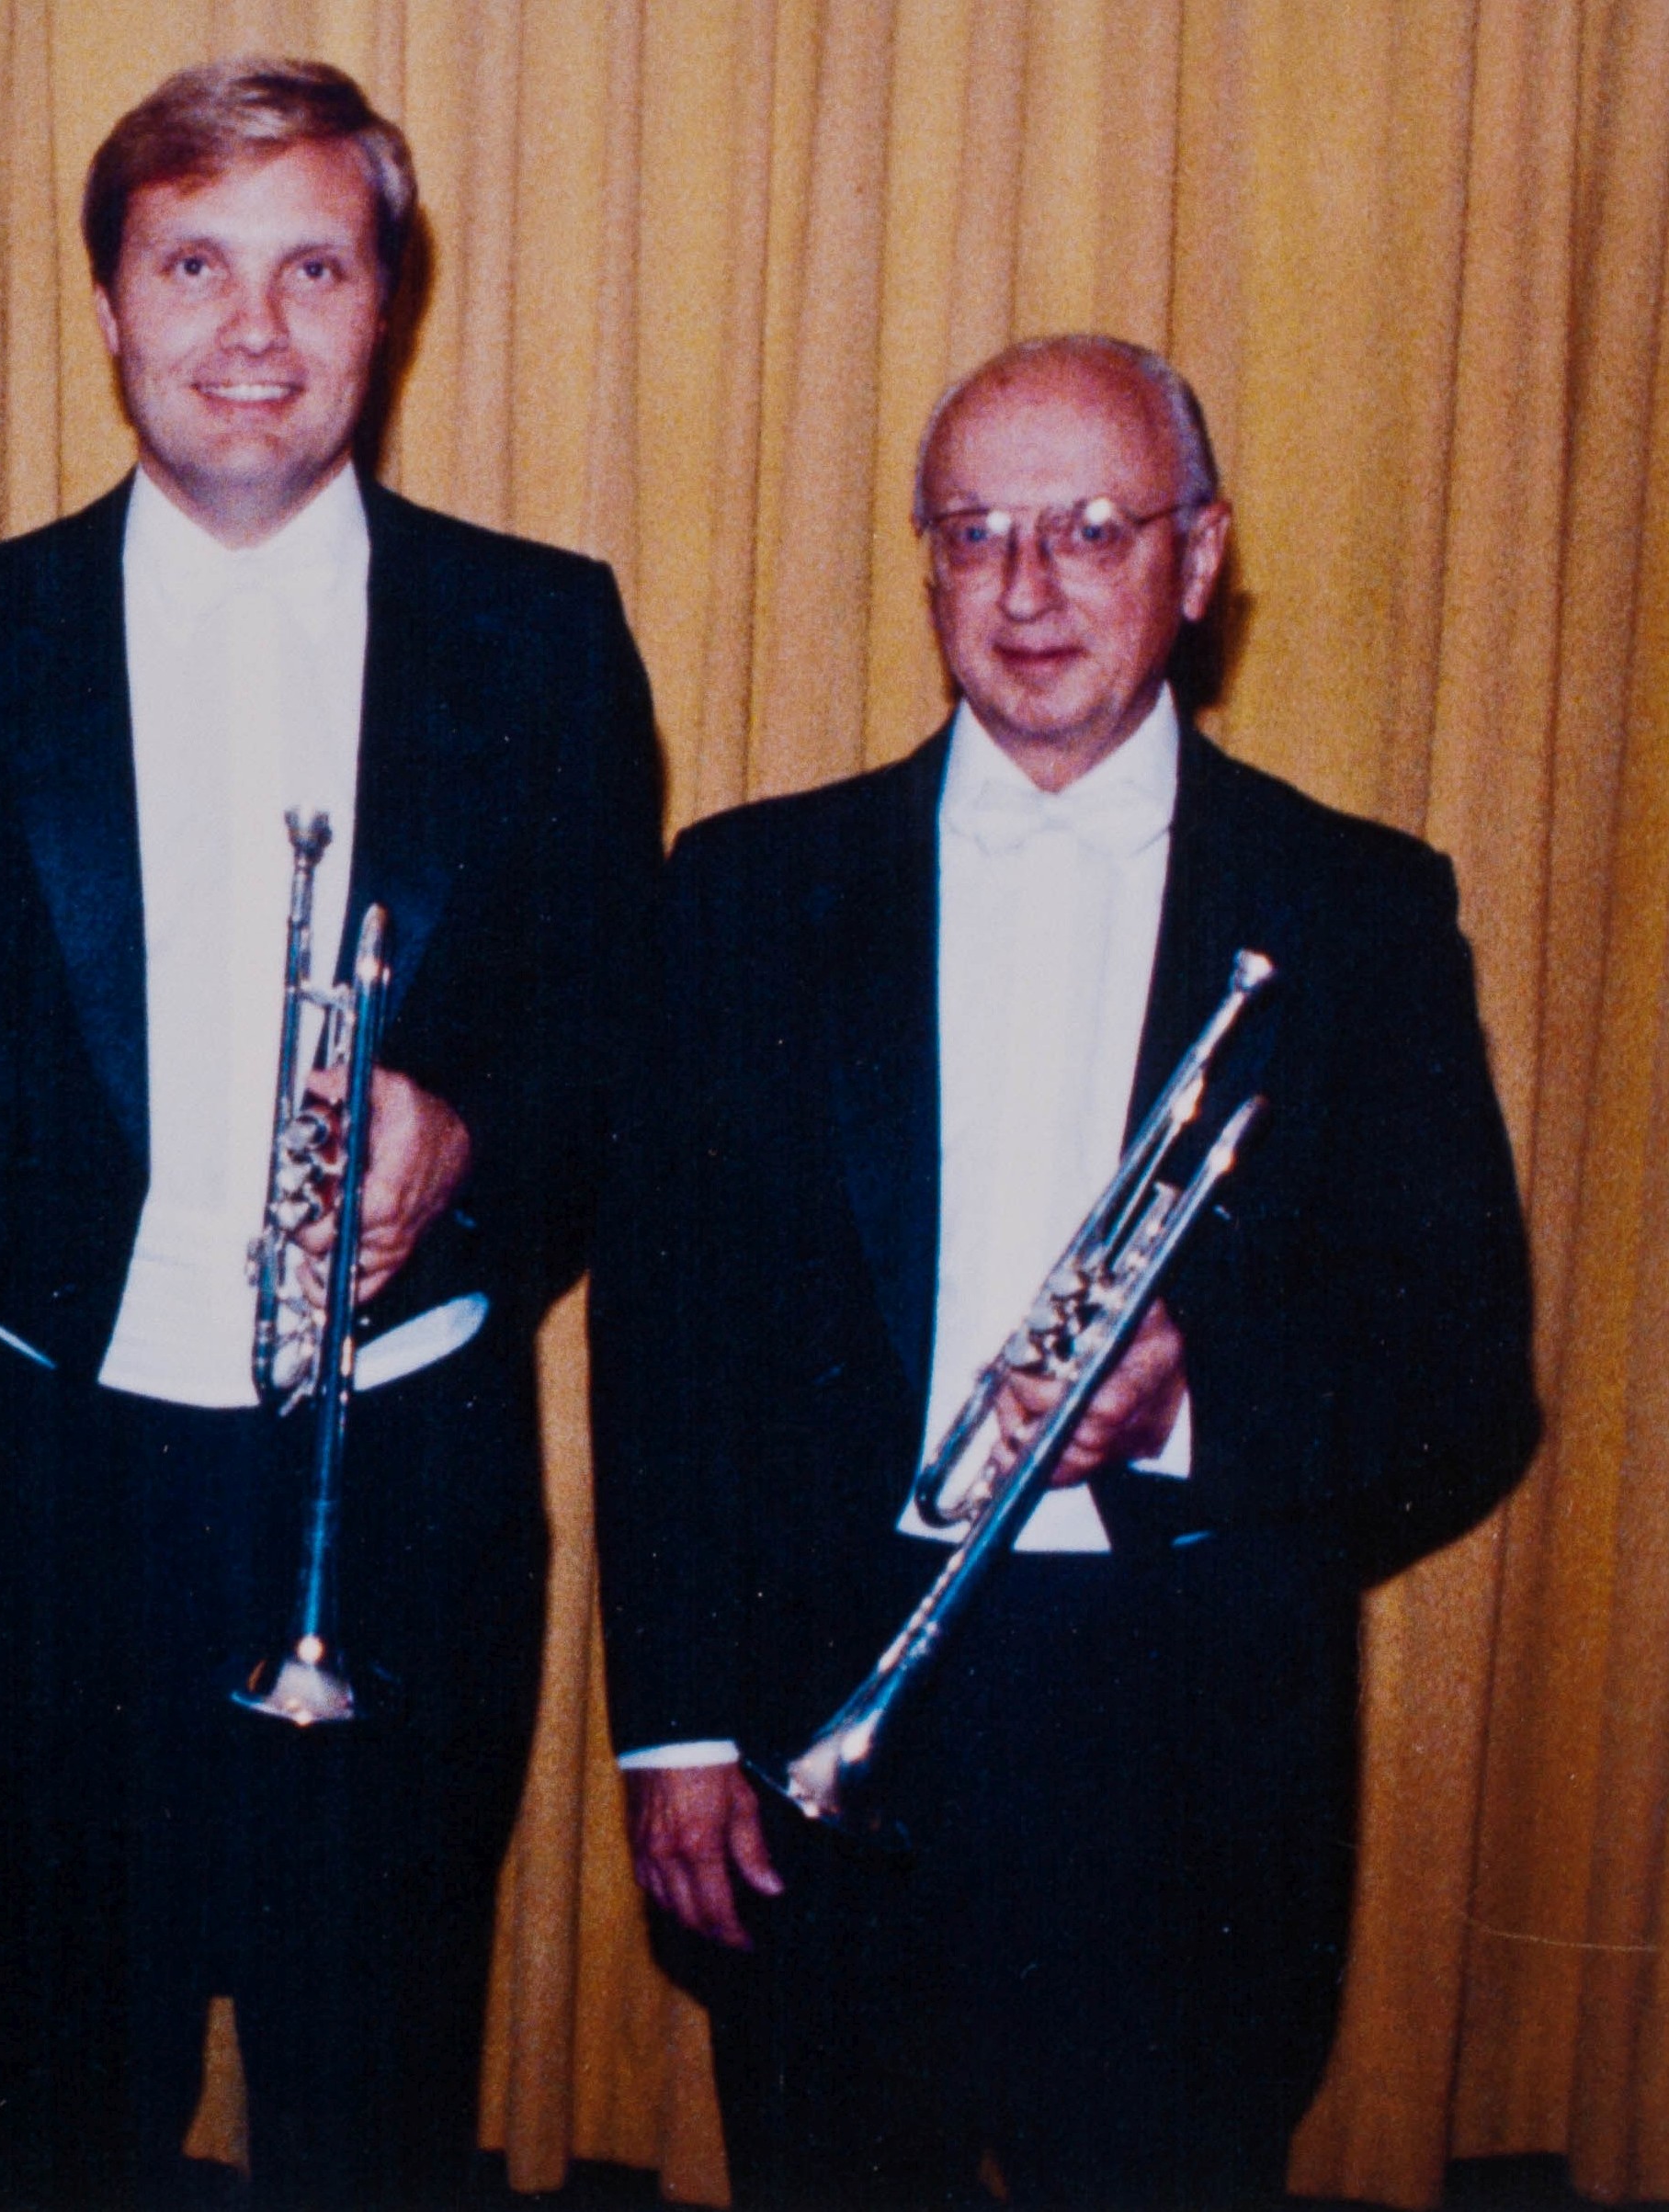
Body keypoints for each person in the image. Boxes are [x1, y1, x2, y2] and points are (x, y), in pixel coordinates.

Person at [592, 334, 1540, 2207]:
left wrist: (1189, 1405)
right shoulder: (749, 888)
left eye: (1091, 530)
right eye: (975, 534)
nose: (1025, 590)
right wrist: (680, 1720)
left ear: (1197, 561)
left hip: (1181, 1741)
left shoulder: (1353, 907)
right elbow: (666, 1345)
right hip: (822, 1711)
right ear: (927, 564)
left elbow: (1465, 1370)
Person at [0, 57, 664, 2208]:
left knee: (374, 2107)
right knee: (65, 2101)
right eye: (192, 263)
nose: (252, 325)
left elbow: (616, 1073)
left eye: (315, 264)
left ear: (384, 306)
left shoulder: (546, 632)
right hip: (54, 1489)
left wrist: (466, 1138)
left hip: (401, 1484)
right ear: (109, 305)